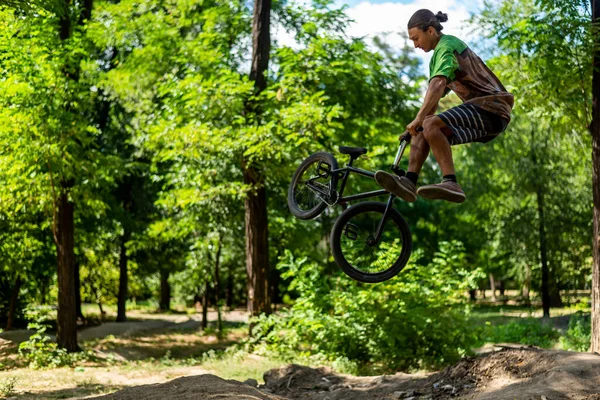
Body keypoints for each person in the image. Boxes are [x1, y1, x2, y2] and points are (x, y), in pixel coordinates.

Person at [375, 9, 514, 203]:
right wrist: (415, 126)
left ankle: (451, 182)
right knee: (424, 127)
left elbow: (438, 84)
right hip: (487, 112)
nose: (415, 45)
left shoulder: (447, 47)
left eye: (416, 38)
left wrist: (420, 119)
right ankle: (409, 180)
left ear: (430, 31)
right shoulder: (438, 58)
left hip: (492, 108)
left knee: (429, 123)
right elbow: (433, 98)